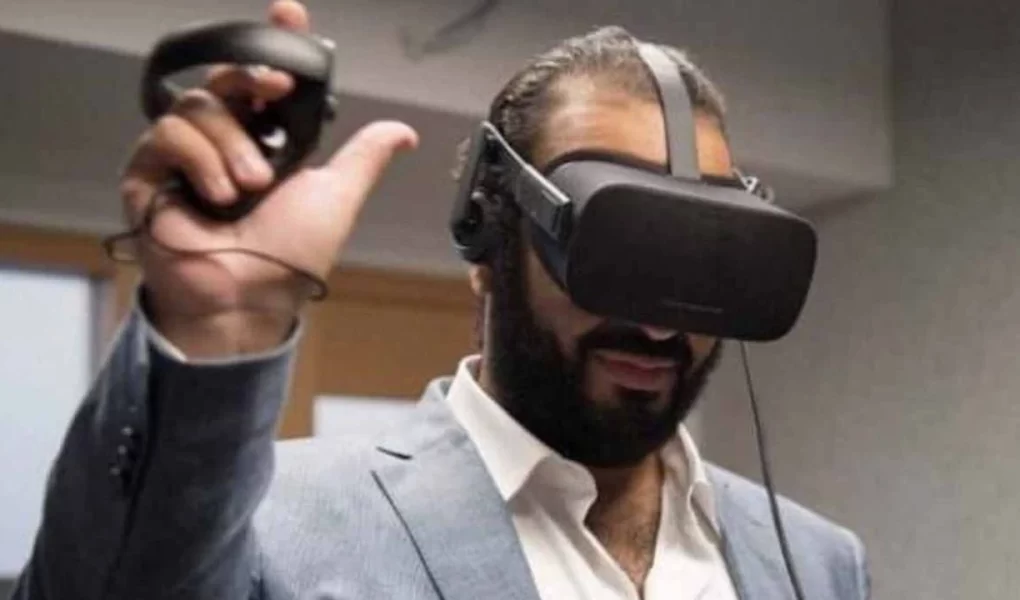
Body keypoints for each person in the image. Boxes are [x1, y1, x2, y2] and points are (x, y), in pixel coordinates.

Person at [12, 1, 869, 599]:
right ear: (487, 243)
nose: (656, 322)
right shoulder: (271, 523)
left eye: (697, 261)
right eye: (611, 251)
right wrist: (216, 329)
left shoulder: (818, 561)